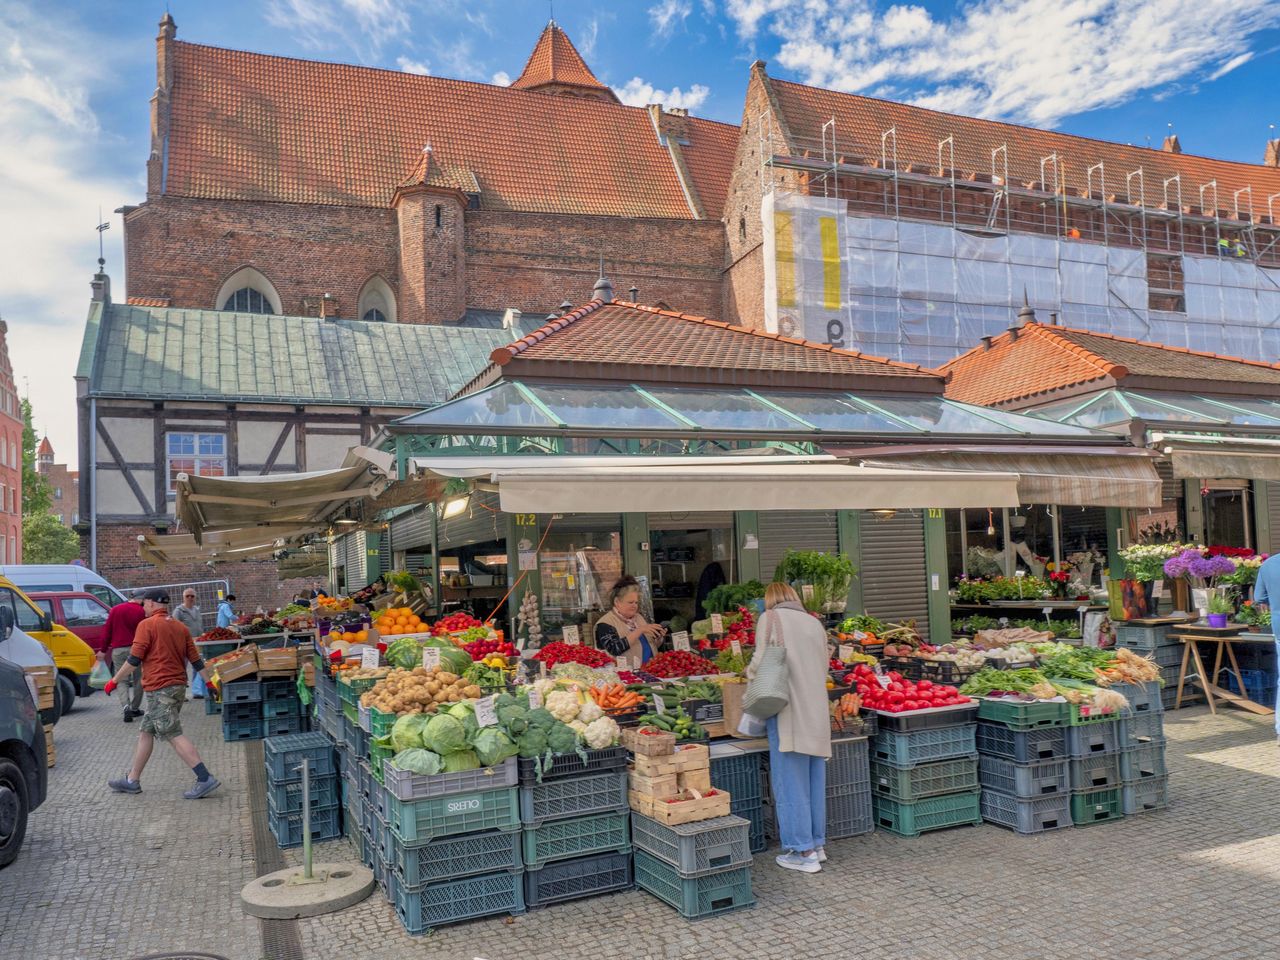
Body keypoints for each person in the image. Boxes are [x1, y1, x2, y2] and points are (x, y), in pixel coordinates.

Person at [104, 588, 220, 799]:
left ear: (149, 603)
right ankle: (132, 780)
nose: (143, 609)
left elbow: (134, 660)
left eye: (144, 605)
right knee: (146, 732)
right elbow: (195, 660)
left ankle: (204, 778)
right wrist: (209, 683)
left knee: (172, 733)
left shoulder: (146, 625)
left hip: (160, 688)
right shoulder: (180, 627)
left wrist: (114, 681)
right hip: (176, 686)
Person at [748, 581, 831, 873]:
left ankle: (801, 851)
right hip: (817, 711)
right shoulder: (814, 624)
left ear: (770, 600)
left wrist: (747, 678)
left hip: (788, 712)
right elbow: (825, 666)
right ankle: (817, 844)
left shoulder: (769, 619)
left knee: (789, 782)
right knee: (813, 780)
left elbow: (760, 663)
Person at [594, 575, 665, 666]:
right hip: (625, 676)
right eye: (630, 602)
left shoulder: (638, 618)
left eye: (636, 602)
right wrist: (640, 630)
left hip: (649, 671)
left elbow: (648, 645)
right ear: (617, 602)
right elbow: (614, 649)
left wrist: (658, 638)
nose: (634, 605)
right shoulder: (605, 623)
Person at [101, 595, 147, 723]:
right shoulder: (141, 611)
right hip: (136, 649)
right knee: (139, 679)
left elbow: (107, 631)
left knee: (121, 679)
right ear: (141, 599)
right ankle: (135, 708)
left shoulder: (115, 609)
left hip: (118, 650)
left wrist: (103, 650)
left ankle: (125, 706)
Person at [173, 590, 207, 699]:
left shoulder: (197, 610)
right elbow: (174, 627)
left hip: (197, 642)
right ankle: (180, 694)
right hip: (183, 643)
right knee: (181, 668)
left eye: (192, 596)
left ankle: (197, 691)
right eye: (187, 596)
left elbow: (200, 625)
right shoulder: (179, 611)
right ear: (183, 597)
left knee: (197, 666)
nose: (190, 598)